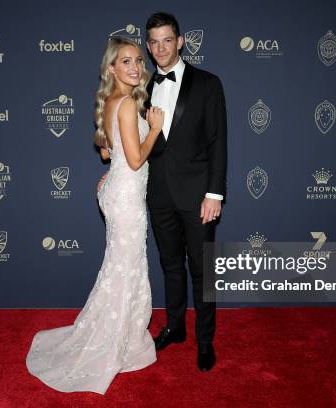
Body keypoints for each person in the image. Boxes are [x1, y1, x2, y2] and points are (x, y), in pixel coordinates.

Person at [25, 38, 165, 394]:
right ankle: (118, 343)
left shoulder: (112, 101)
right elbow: (136, 159)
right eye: (125, 61)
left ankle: (125, 338)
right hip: (127, 199)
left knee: (122, 266)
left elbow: (107, 152)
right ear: (111, 69)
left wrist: (115, 168)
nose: (135, 67)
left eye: (137, 60)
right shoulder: (130, 105)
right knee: (127, 268)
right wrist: (157, 127)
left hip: (118, 192)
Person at [144, 12, 227, 372]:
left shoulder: (208, 83)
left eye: (167, 40)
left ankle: (205, 341)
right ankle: (175, 327)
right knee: (170, 266)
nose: (160, 47)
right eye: (154, 41)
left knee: (203, 271)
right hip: (158, 194)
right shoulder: (143, 86)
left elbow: (218, 142)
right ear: (148, 46)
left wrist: (215, 193)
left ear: (180, 41)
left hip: (197, 196)